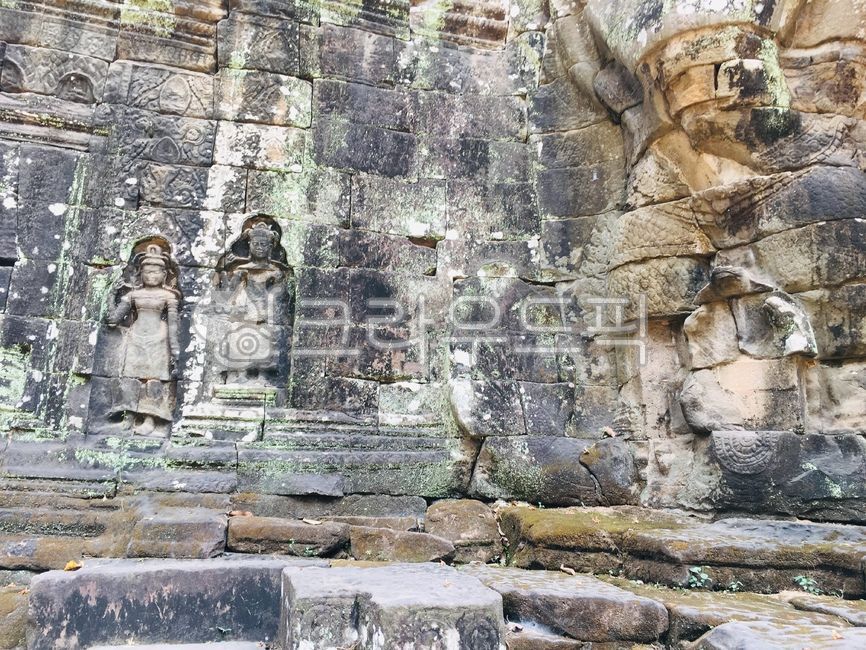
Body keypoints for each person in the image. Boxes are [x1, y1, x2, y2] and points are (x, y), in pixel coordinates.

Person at [106, 243, 181, 435]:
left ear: (165, 275)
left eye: (156, 272)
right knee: (130, 378)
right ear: (141, 274)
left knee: (154, 381)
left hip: (159, 339)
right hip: (135, 338)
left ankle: (150, 419)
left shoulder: (169, 296)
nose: (151, 276)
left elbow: (173, 324)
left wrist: (175, 349)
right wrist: (111, 295)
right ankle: (128, 416)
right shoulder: (133, 295)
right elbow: (113, 320)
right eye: (147, 272)